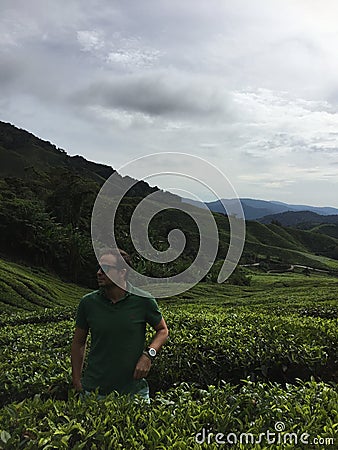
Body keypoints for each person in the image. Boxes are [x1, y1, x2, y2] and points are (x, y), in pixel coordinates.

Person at [71, 248, 169, 401]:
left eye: (106, 268)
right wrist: (76, 381)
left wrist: (148, 355)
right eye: (99, 267)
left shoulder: (143, 300)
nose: (99, 272)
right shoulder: (88, 303)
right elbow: (78, 342)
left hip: (134, 392)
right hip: (94, 391)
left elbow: (163, 330)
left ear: (122, 272)